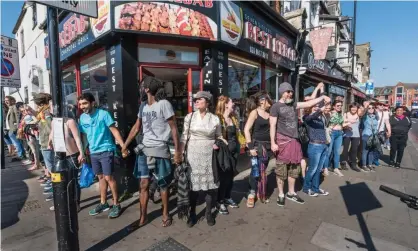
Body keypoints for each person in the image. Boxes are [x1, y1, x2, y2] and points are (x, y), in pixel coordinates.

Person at [127, 77, 181, 228]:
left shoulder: (164, 104)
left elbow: (174, 129)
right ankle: (143, 217)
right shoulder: (143, 106)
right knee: (143, 184)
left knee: (163, 184)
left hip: (160, 150)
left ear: (147, 89)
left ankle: (165, 213)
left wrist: (178, 152)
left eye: (142, 86)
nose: (140, 88)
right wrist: (124, 145)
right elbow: (136, 128)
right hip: (144, 150)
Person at [270, 82, 330, 207]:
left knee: (294, 169)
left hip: (295, 141)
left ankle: (291, 193)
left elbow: (309, 103)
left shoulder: (293, 104)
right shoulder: (275, 106)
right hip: (283, 141)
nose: (290, 93)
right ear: (282, 92)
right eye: (288, 91)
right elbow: (272, 125)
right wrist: (273, 143)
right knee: (281, 169)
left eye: (291, 91)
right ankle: (281, 194)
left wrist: (322, 96)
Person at [78, 92, 125, 219]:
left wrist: (123, 146)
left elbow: (114, 130)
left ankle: (116, 204)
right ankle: (103, 203)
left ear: (93, 103)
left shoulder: (103, 114)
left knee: (109, 178)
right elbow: (83, 136)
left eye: (85, 103)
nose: (82, 106)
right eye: (81, 104)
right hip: (93, 152)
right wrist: (82, 152)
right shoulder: (82, 118)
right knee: (100, 178)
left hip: (106, 150)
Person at [180, 91, 222, 227]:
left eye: (200, 99)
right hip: (193, 154)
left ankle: (208, 213)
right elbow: (184, 136)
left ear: (208, 102)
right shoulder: (189, 117)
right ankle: (192, 213)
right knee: (193, 187)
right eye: (195, 99)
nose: (196, 101)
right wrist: (180, 152)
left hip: (209, 155)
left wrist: (219, 143)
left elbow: (219, 136)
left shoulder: (215, 118)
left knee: (210, 187)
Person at [48, 107, 85, 211]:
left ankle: (75, 203)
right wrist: (49, 141)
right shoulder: (54, 122)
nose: (52, 110)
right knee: (59, 181)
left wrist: (81, 153)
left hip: (71, 155)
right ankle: (60, 202)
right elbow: (52, 133)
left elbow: (77, 137)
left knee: (72, 181)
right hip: (58, 155)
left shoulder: (70, 121)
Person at [243, 91, 273, 208]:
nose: (271, 102)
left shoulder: (269, 114)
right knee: (255, 170)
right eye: (269, 100)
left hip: (268, 147)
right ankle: (251, 193)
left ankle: (261, 192)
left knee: (263, 170)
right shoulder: (254, 112)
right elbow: (246, 130)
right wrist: (250, 148)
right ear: (262, 101)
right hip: (257, 146)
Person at [215, 95, 240, 214]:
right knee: (223, 177)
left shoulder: (233, 117)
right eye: (231, 102)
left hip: (234, 152)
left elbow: (237, 134)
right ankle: (219, 202)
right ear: (225, 104)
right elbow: (216, 136)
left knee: (231, 177)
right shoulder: (218, 119)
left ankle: (227, 197)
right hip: (224, 153)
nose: (233, 103)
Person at [302, 103, 329, 197]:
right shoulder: (306, 117)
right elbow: (311, 117)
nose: (317, 107)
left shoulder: (319, 118)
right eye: (314, 105)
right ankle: (306, 188)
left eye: (317, 106)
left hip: (323, 145)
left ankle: (315, 188)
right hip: (314, 146)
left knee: (318, 170)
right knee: (312, 169)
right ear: (309, 107)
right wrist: (320, 110)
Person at [33, 93, 55, 187]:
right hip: (44, 141)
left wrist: (41, 121)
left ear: (40, 103)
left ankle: (55, 184)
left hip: (47, 142)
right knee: (48, 163)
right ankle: (54, 182)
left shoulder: (45, 113)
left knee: (50, 165)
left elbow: (50, 129)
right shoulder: (43, 112)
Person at [324, 100, 347, 177]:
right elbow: (325, 123)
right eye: (338, 105)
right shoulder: (330, 113)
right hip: (332, 133)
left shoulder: (341, 114)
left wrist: (348, 123)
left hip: (339, 133)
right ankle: (325, 168)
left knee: (337, 152)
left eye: (341, 105)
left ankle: (336, 168)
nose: (340, 107)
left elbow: (342, 124)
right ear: (333, 106)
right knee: (329, 151)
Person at [18, 104, 41, 171]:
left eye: (25, 110)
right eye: (22, 111)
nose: (24, 112)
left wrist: (29, 123)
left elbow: (36, 120)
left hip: (31, 133)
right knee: (33, 149)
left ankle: (37, 164)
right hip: (27, 133)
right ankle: (36, 163)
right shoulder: (25, 116)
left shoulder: (30, 115)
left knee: (34, 149)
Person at [340, 103, 362, 172]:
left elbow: (363, 111)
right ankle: (343, 162)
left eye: (355, 107)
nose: (353, 109)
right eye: (352, 107)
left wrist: (365, 106)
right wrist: (347, 125)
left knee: (354, 150)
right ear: (350, 108)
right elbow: (342, 124)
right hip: (347, 134)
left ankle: (353, 164)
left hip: (356, 135)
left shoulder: (358, 115)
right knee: (345, 149)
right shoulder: (346, 114)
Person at [360, 104, 379, 172]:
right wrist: (365, 107)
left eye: (372, 108)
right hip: (366, 135)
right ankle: (364, 165)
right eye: (369, 108)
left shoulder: (375, 117)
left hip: (374, 136)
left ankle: (370, 165)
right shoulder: (365, 117)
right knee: (365, 151)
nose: (371, 109)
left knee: (371, 151)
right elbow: (361, 114)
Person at [5, 96, 25, 161]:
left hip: (14, 128)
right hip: (10, 128)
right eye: (5, 100)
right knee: (16, 142)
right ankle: (20, 154)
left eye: (7, 100)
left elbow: (17, 118)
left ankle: (21, 155)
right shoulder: (10, 108)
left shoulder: (14, 107)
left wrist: (17, 127)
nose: (6, 102)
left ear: (12, 100)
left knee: (17, 142)